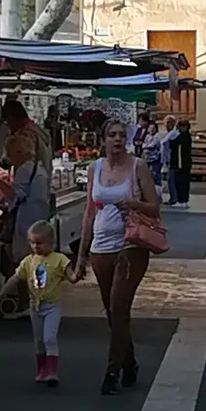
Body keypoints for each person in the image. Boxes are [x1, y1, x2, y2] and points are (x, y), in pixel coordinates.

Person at [76, 119, 160, 394]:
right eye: (111, 134)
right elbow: (89, 212)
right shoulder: (94, 168)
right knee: (113, 313)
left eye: (121, 135)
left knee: (119, 306)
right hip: (101, 246)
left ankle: (111, 371)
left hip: (130, 245)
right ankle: (130, 363)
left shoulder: (138, 166)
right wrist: (82, 256)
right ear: (102, 139)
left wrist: (133, 203)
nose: (116, 139)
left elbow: (154, 206)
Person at [0, 219, 78, 385]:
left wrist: (77, 275)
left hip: (52, 305)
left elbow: (71, 277)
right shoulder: (28, 261)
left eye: (39, 243)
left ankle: (52, 371)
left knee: (49, 338)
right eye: (32, 243)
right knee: (38, 340)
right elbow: (15, 278)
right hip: (35, 306)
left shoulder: (59, 259)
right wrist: (1, 294)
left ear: (51, 243)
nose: (35, 247)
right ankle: (42, 369)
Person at [0, 129, 51, 262]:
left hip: (26, 224)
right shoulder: (38, 167)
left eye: (10, 154)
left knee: (24, 262)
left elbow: (17, 195)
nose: (10, 159)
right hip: (39, 220)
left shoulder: (24, 169)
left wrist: (0, 185)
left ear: (18, 152)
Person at [166, 118, 192, 209]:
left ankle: (181, 200)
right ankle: (184, 200)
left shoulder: (183, 137)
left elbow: (173, 144)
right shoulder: (186, 136)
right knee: (184, 183)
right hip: (184, 163)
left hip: (181, 164)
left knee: (181, 182)